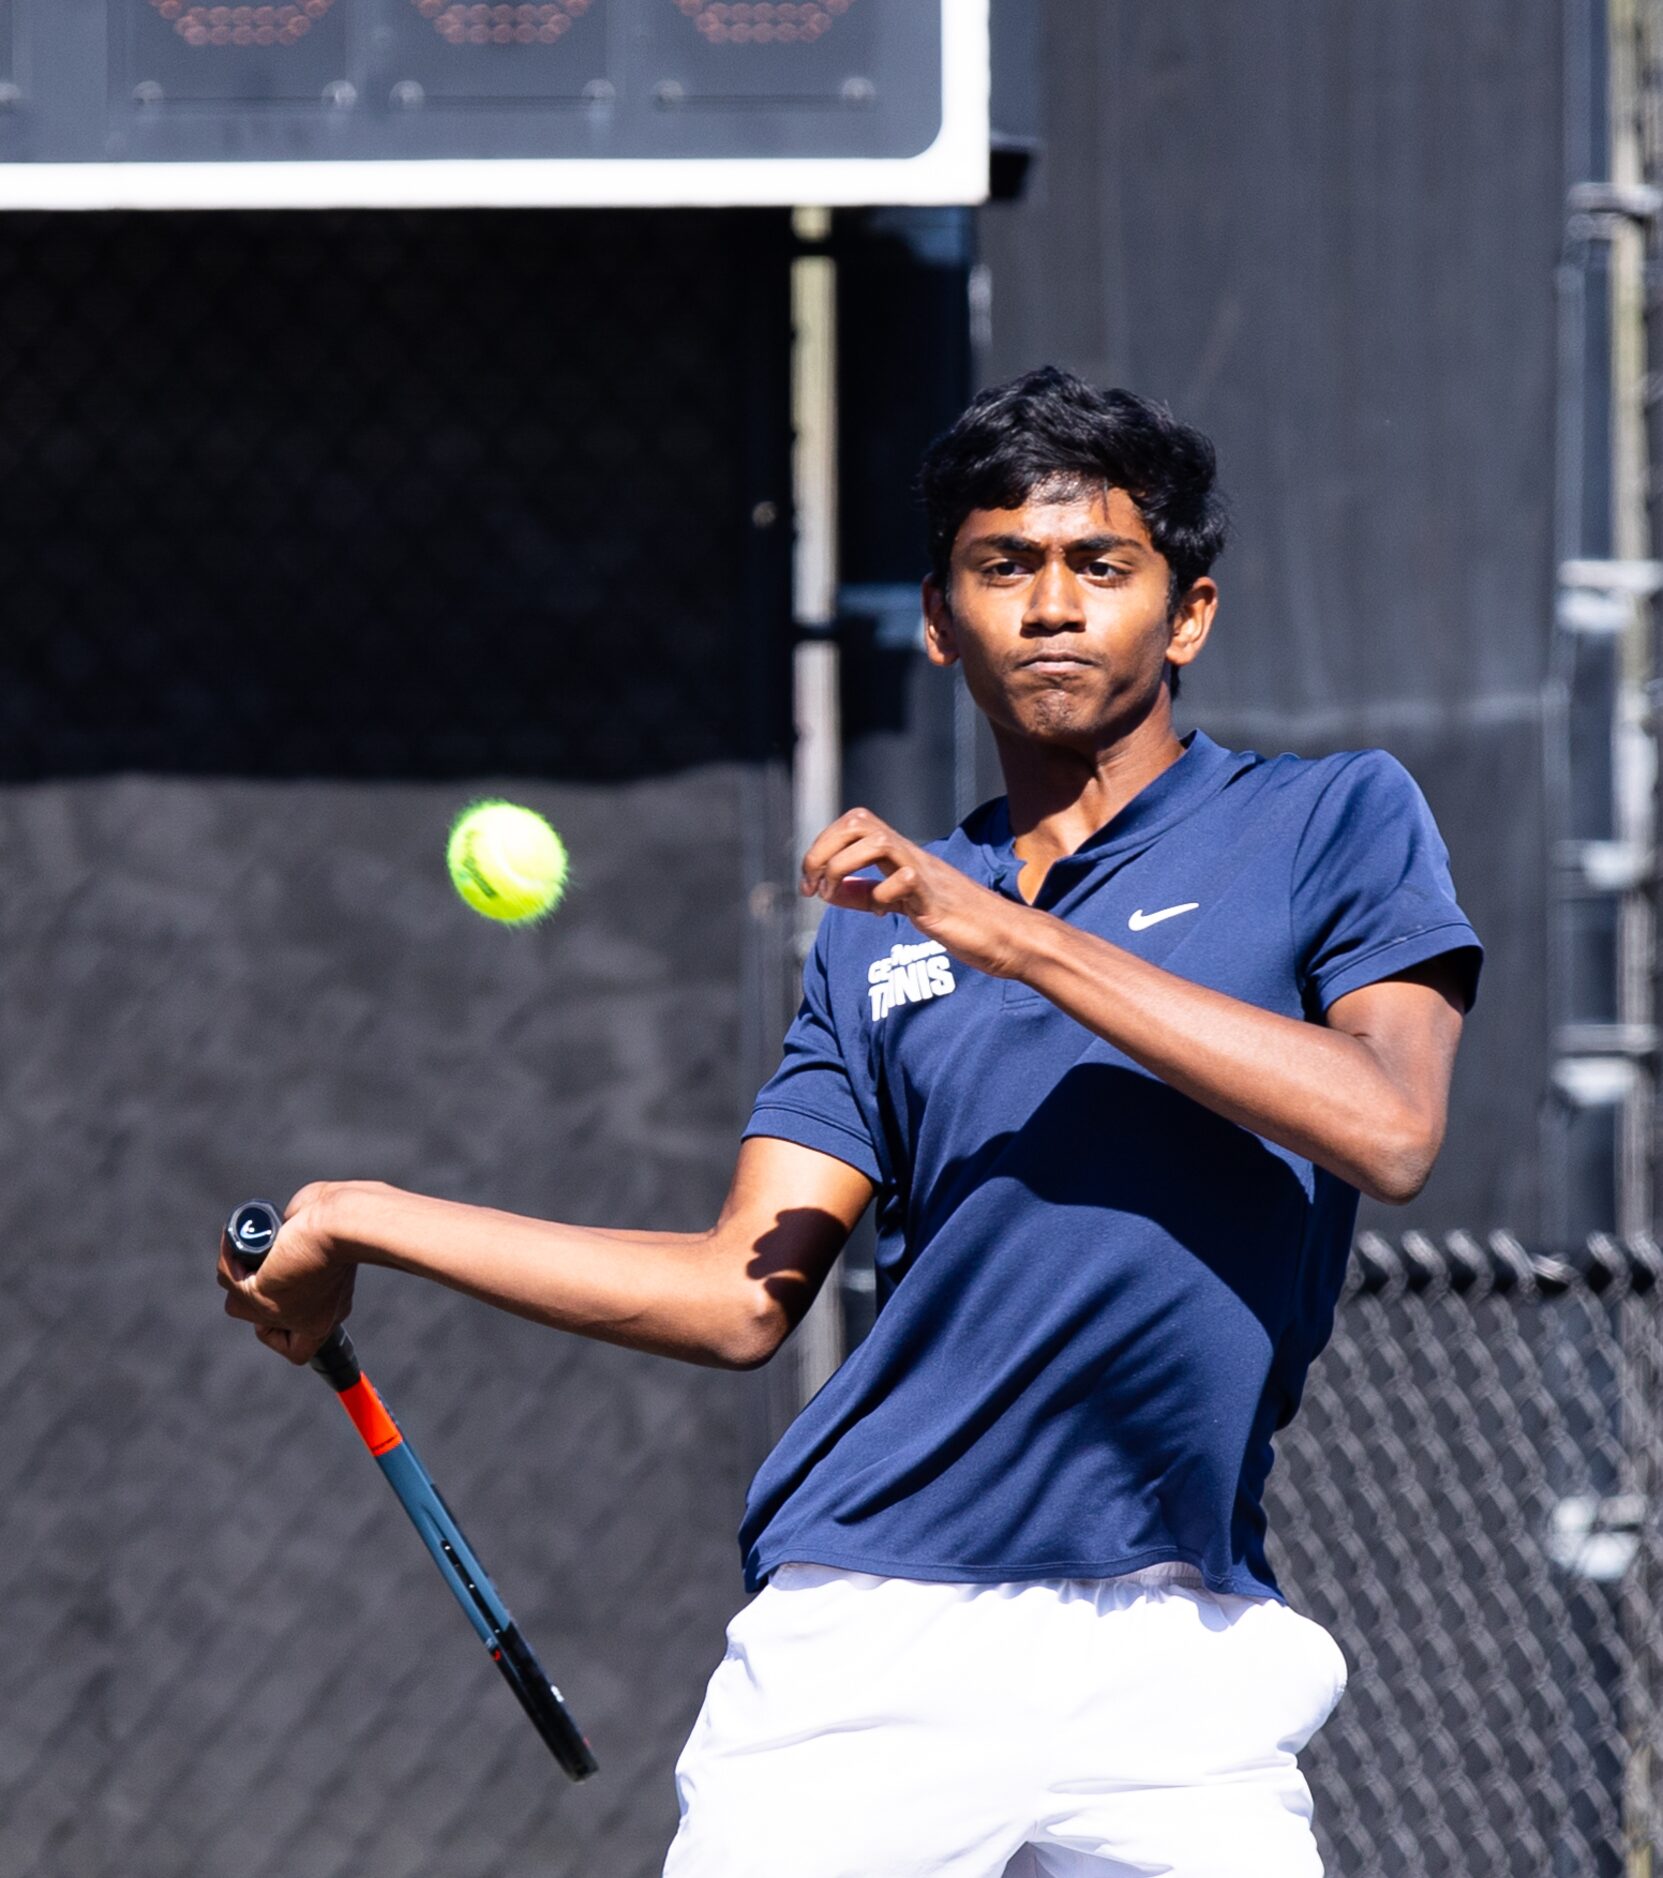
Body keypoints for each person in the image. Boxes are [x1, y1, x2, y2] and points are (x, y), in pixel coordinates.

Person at [220, 367, 1480, 1877]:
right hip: (879, 1628)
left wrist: (1011, 932)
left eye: (1103, 566)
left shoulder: (1333, 820)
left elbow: (1391, 1126)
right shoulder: (876, 942)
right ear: (944, 623)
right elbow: (735, 1292)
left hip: (1183, 1645)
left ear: (1188, 612)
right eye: (1005, 567)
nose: (1054, 606)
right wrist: (364, 1213)